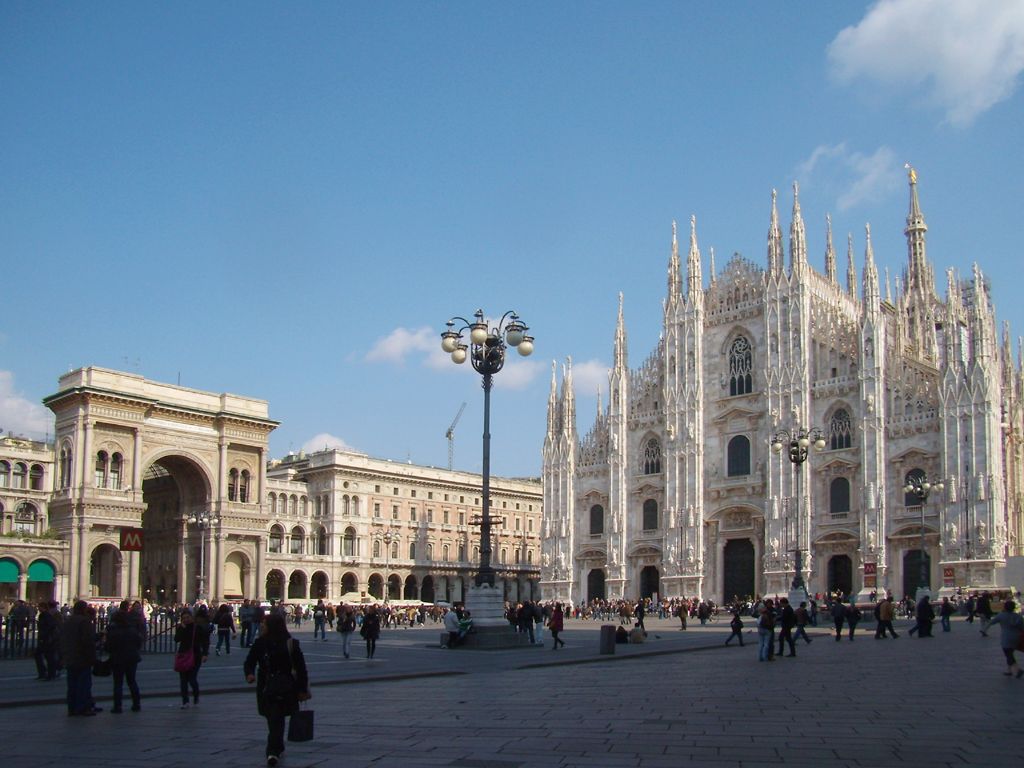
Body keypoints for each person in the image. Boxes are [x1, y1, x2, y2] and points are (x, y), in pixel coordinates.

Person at [244, 612, 311, 767]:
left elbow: (301, 668)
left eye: (264, 623)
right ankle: (278, 746)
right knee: (273, 719)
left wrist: (302, 689)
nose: (261, 625)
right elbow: (249, 662)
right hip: (266, 686)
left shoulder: (291, 643)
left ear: (272, 626)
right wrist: (249, 674)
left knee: (276, 718)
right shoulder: (260, 643)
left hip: (285, 687)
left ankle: (272, 752)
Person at [61, 600, 97, 716]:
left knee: (72, 685)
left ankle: (71, 708)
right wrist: (92, 657)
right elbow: (87, 641)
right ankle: (83, 708)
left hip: (70, 656)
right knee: (83, 684)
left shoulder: (68, 621)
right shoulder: (84, 622)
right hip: (82, 657)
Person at [105, 604, 142, 713]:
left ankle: (118, 706)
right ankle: (136, 704)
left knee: (118, 683)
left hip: (117, 659)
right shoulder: (132, 630)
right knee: (132, 681)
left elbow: (108, 647)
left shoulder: (113, 632)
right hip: (131, 659)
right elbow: (138, 644)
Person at [174, 608, 209, 708]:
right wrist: (181, 628)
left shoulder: (197, 628)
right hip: (183, 655)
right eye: (183, 618)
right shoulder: (182, 627)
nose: (186, 619)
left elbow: (205, 641)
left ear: (192, 617)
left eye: (187, 617)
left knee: (192, 679)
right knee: (183, 680)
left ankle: (196, 694)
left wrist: (205, 654)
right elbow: (176, 639)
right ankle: (185, 701)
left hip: (195, 655)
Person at [986, 599, 1024, 679]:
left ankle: (1017, 669)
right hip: (1016, 637)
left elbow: (992, 622)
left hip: (1006, 637)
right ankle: (1009, 670)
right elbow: (1022, 628)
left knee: (1008, 654)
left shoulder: (1002, 615)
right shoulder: (1018, 617)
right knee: (1010, 652)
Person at [34, 600, 60, 681]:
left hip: (47, 639)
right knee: (47, 656)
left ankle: (48, 673)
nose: (38, 608)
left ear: (43, 607)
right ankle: (48, 672)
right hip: (47, 639)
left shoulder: (45, 615)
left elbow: (50, 626)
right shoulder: (46, 615)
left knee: (48, 657)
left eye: (39, 607)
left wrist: (44, 635)